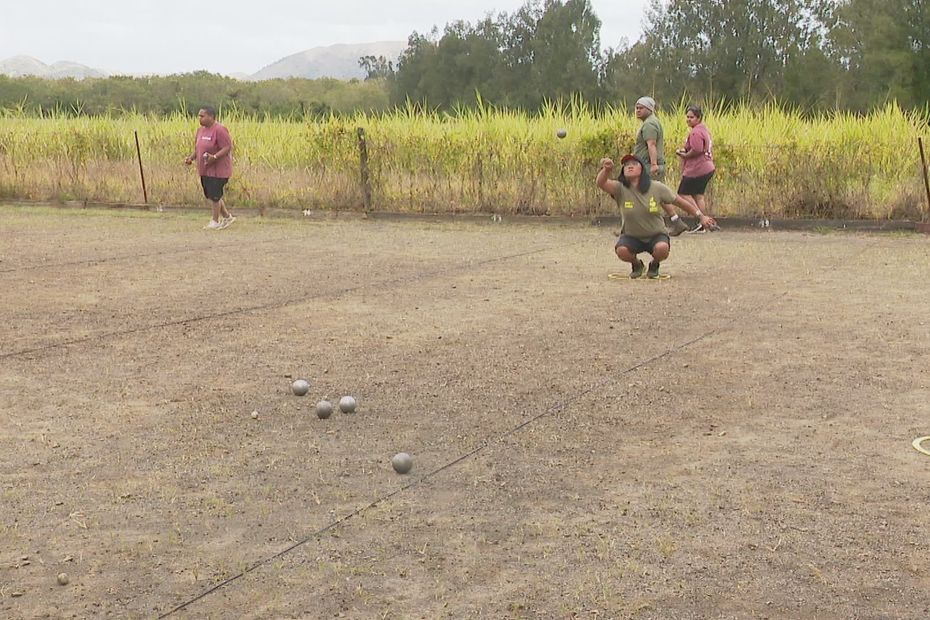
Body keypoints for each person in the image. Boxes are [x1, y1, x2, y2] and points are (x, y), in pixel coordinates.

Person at [596, 154, 716, 279]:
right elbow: (601, 183)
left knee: (662, 249)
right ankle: (637, 265)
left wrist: (701, 216)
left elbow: (680, 202)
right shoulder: (619, 188)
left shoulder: (656, 187)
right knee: (621, 251)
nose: (629, 166)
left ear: (642, 169)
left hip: (656, 235)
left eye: (634, 164)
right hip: (631, 236)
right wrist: (606, 170)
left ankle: (654, 265)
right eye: (626, 165)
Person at [631, 96, 690, 236]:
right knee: (660, 195)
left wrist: (653, 164)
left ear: (649, 109)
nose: (637, 110)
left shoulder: (649, 125)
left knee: (638, 195)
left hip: (647, 165)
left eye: (641, 108)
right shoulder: (651, 122)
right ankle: (676, 221)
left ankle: (637, 227)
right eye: (637, 108)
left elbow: (651, 145)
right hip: (647, 164)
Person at [184, 106, 235, 230]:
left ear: (211, 117)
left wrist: (215, 157)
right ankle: (227, 217)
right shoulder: (200, 131)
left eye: (202, 116)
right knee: (212, 195)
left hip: (218, 170)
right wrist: (191, 158)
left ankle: (215, 221)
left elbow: (227, 147)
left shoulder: (220, 130)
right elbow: (199, 149)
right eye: (199, 116)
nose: (199, 118)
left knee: (215, 195)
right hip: (204, 169)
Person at [675, 104, 717, 233]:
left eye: (691, 117)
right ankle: (702, 224)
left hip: (697, 168)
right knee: (698, 195)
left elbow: (697, 149)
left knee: (683, 194)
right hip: (708, 167)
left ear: (698, 118)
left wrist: (685, 154)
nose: (688, 119)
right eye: (687, 117)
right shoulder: (704, 130)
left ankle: (701, 218)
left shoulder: (695, 132)